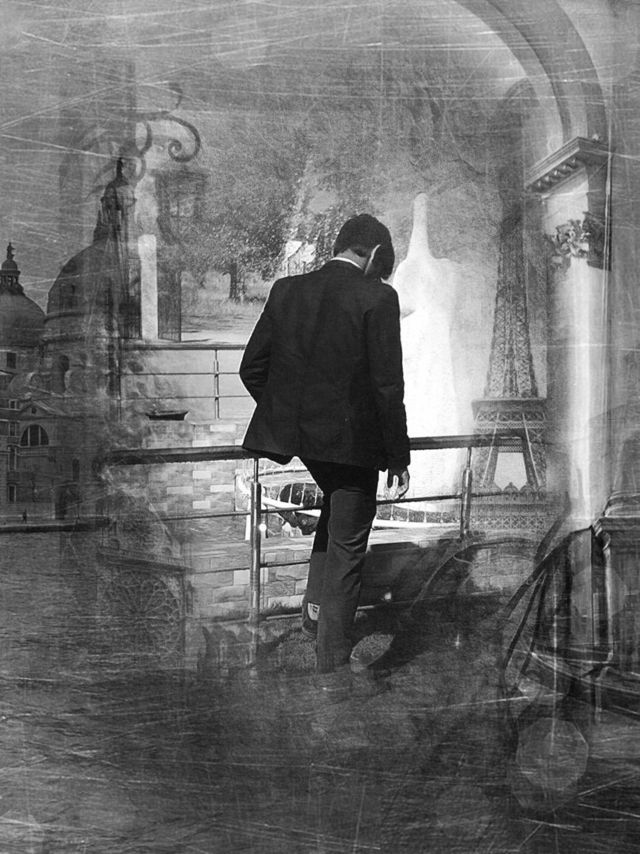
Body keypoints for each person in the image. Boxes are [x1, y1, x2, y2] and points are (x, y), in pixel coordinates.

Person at [239, 213, 410, 686]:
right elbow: (387, 387)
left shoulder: (286, 290)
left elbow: (252, 369)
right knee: (349, 543)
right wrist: (398, 455)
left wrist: (292, 418)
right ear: (375, 253)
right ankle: (331, 662)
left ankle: (313, 619)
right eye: (382, 264)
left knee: (336, 515)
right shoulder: (378, 297)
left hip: (303, 442)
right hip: (353, 446)